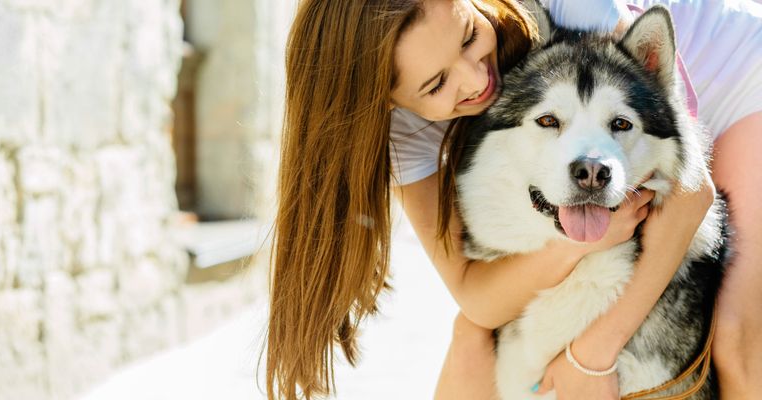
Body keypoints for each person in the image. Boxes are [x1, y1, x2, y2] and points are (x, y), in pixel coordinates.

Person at [265, 0, 762, 399]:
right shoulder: (401, 131)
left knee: (740, 338)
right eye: (438, 84)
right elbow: (475, 295)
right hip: (614, 137)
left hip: (735, 83)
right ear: (390, 102)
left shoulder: (572, 10)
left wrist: (592, 354)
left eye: (467, 38)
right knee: (470, 338)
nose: (477, 78)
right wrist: (576, 243)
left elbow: (692, 193)